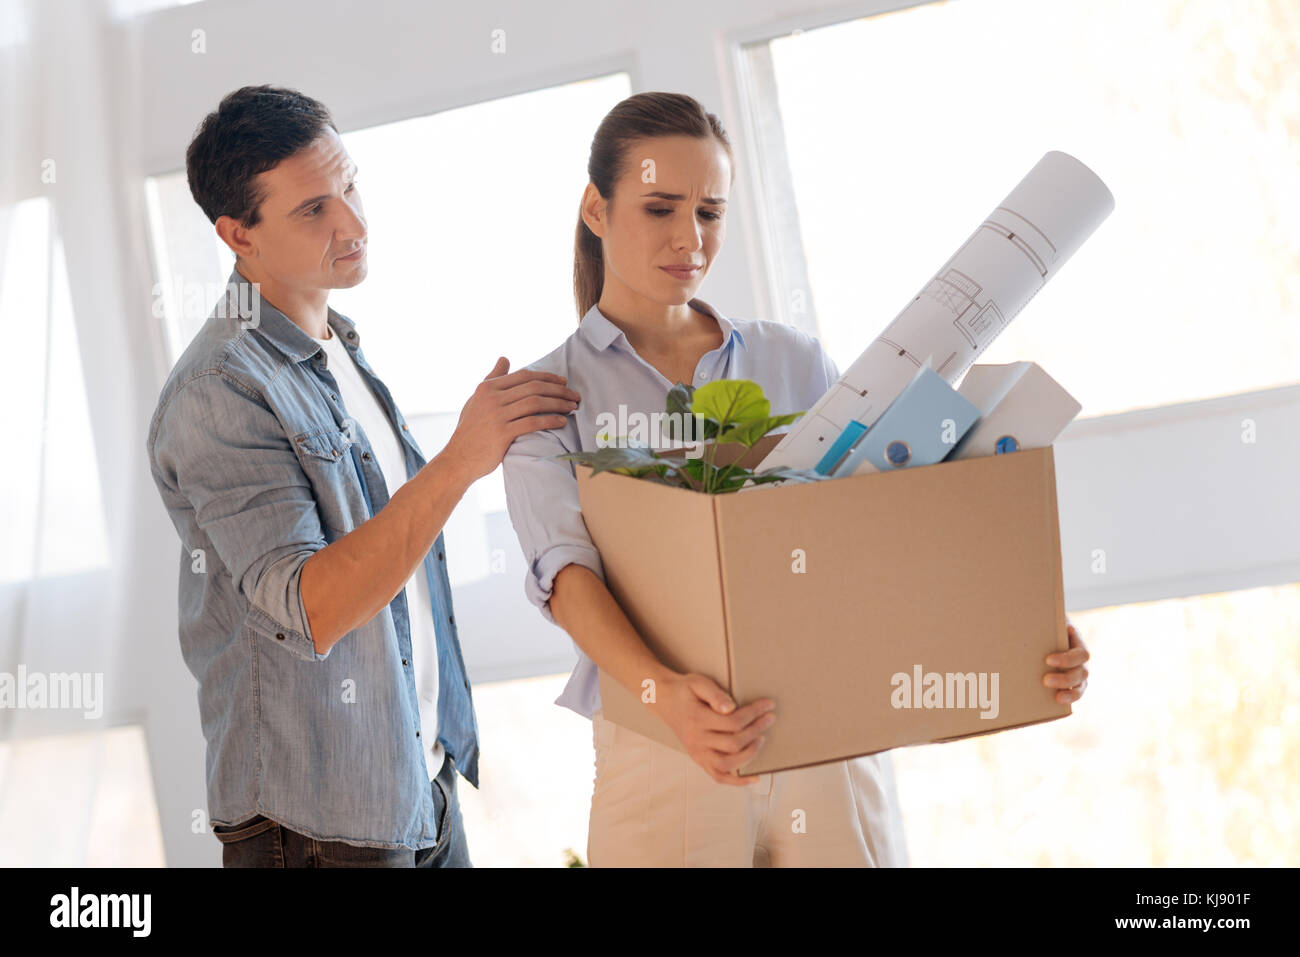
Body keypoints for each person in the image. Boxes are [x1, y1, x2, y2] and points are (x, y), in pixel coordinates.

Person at [502, 91, 1090, 867]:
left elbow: (879, 523)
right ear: (597, 209)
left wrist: (1015, 634)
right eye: (660, 208)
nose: (690, 238)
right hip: (662, 741)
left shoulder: (795, 360)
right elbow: (566, 573)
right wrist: (666, 695)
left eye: (710, 212)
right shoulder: (547, 394)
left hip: (830, 726)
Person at [146, 85, 580, 867]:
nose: (351, 221)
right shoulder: (220, 388)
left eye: (349, 184)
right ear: (236, 234)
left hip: (416, 785)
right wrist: (458, 461)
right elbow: (313, 604)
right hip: (318, 828)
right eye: (313, 209)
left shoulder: (336, 342)